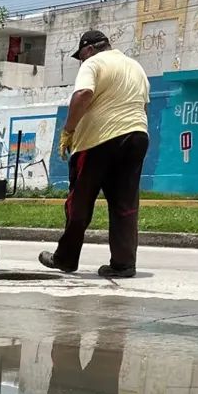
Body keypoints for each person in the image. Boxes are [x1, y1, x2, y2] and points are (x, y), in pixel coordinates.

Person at [39, 30, 150, 279]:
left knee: (79, 202)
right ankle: (123, 264)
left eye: (81, 56)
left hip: (99, 141)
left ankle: (65, 259)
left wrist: (68, 130)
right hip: (137, 136)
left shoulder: (93, 63)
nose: (81, 61)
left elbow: (84, 94)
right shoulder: (136, 67)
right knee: (125, 204)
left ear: (88, 50)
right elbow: (144, 106)